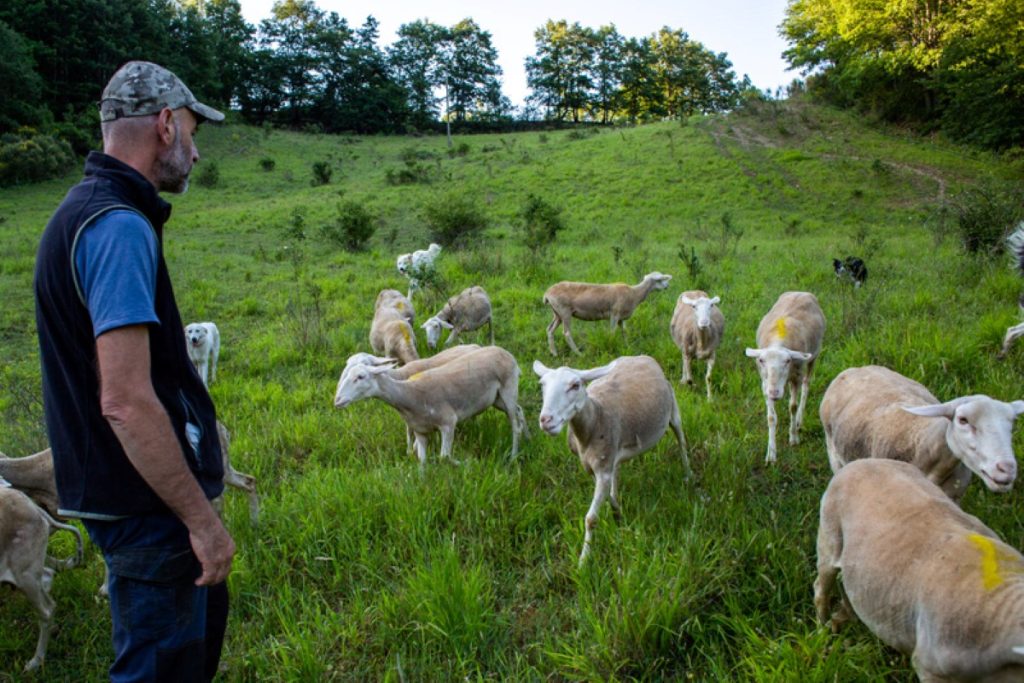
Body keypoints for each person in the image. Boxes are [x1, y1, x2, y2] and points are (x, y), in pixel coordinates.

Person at [34, 61, 235, 681]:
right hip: (146, 505)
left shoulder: (82, 212)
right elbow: (124, 399)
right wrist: (201, 522)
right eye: (195, 135)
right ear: (167, 126)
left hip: (117, 492)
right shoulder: (119, 226)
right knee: (159, 669)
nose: (197, 156)